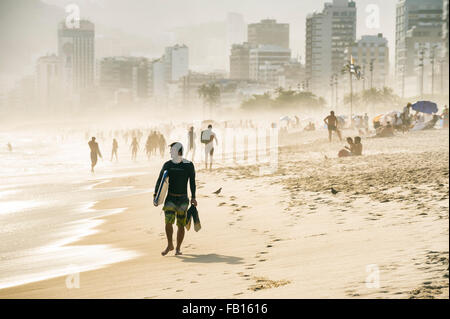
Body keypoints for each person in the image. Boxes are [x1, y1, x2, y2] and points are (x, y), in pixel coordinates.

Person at [154, 142, 197, 256]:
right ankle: (170, 244)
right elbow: (160, 180)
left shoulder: (188, 165)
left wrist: (193, 197)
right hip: (170, 198)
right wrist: (156, 196)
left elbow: (192, 182)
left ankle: (178, 248)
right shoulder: (168, 165)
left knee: (180, 224)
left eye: (172, 150)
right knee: (168, 222)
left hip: (183, 199)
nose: (170, 153)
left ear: (178, 151)